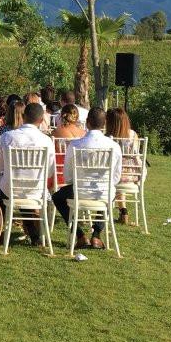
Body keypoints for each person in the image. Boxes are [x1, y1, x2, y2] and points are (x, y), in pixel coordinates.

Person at [52, 107, 122, 250]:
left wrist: (78, 183)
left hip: (79, 192)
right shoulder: (114, 146)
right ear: (104, 124)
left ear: (88, 123)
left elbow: (67, 177)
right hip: (103, 192)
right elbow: (115, 177)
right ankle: (96, 235)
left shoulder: (75, 145)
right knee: (110, 191)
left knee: (58, 197)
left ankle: (80, 235)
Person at [0, 102, 56, 246]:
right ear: (41, 120)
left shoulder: (7, 137)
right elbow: (50, 172)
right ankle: (34, 236)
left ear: (23, 116)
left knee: (4, 189)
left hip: (11, 188)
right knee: (24, 189)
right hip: (35, 189)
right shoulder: (47, 141)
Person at [106, 107, 139, 225]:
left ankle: (104, 212)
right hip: (132, 175)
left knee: (111, 175)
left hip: (115, 175)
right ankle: (123, 211)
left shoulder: (108, 138)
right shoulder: (133, 134)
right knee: (118, 175)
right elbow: (135, 154)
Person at [51, 104, 86, 186]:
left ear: (62, 115)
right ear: (77, 117)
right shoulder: (84, 133)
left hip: (60, 173)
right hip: (81, 174)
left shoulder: (56, 132)